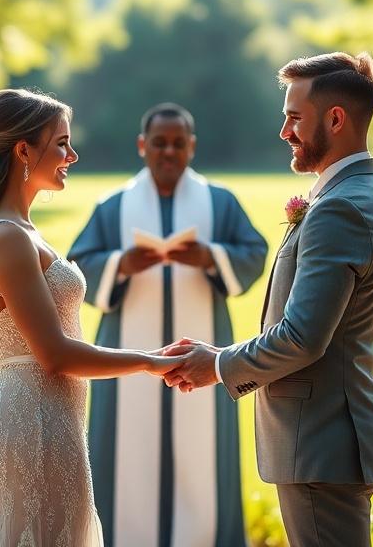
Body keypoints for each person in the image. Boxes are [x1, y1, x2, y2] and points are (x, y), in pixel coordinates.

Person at [0, 88, 185, 547]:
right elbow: (55, 354)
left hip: (49, 417)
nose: (72, 154)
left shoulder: (17, 230)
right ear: (23, 150)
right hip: (32, 421)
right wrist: (149, 361)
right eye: (61, 143)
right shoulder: (6, 237)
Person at [164, 53, 373, 547]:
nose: (284, 131)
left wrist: (218, 363)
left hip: (322, 440)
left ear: (335, 119)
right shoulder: (355, 195)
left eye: (295, 117)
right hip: (326, 441)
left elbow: (302, 338)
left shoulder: (341, 208)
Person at [69, 103, 268, 547]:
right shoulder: (113, 205)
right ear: (143, 146)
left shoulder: (219, 202)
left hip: (204, 357)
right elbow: (78, 266)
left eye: (179, 143)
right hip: (127, 357)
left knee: (204, 461)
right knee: (125, 459)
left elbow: (254, 251)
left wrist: (210, 257)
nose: (169, 152)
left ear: (192, 146)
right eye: (159, 143)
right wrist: (121, 264)